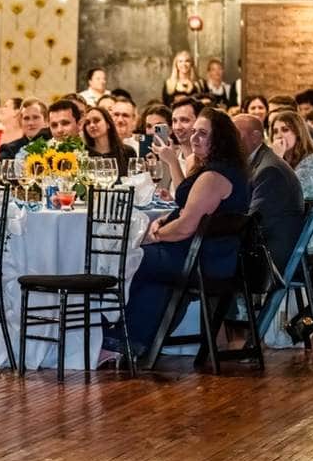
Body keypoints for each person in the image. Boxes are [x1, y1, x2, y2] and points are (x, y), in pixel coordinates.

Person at [102, 109, 251, 362]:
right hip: (210, 256)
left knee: (127, 259)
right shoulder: (222, 171)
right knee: (154, 279)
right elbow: (188, 206)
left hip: (202, 260)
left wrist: (158, 234)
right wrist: (167, 218)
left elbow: (186, 227)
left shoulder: (213, 177)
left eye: (203, 133)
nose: (194, 138)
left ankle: (112, 337)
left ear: (220, 139)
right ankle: (128, 343)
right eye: (194, 132)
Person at [236, 113, 308, 271]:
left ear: (255, 137)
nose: (229, 141)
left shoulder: (269, 170)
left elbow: (253, 223)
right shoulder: (258, 162)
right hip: (262, 247)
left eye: (235, 135)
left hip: (269, 258)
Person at [81, 105, 133, 178]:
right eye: (87, 123)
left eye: (96, 120)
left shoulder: (128, 152)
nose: (91, 125)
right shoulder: (82, 153)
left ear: (108, 124)